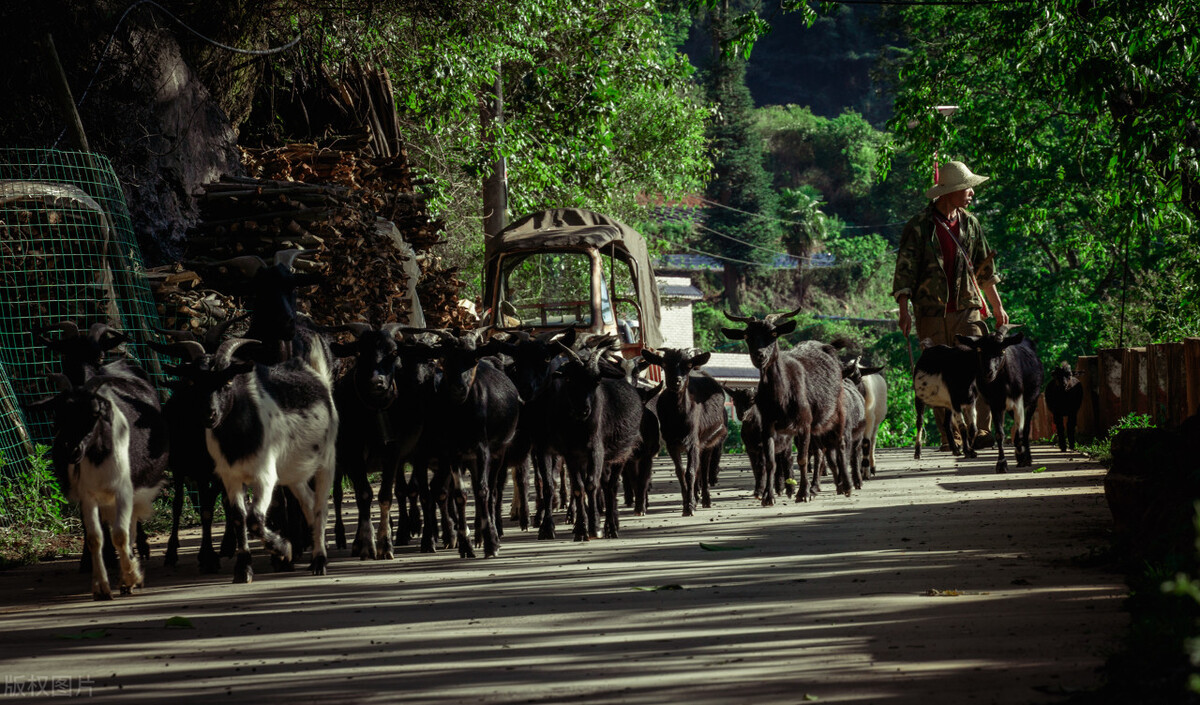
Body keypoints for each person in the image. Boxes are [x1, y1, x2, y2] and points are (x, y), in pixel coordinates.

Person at [892, 160, 1009, 450]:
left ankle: (981, 431)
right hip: (930, 313)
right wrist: (904, 310)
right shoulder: (919, 226)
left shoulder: (970, 224)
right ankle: (951, 436)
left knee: (982, 368)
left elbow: (985, 270)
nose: (971, 192)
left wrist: (997, 307)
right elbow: (904, 270)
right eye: (967, 187)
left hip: (967, 309)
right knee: (938, 375)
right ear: (950, 191)